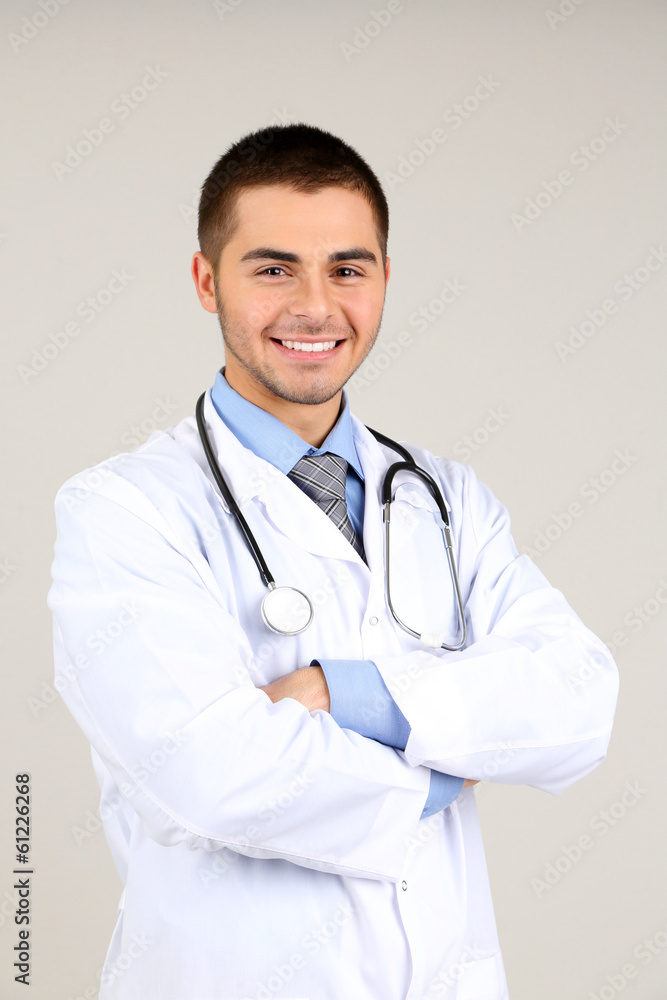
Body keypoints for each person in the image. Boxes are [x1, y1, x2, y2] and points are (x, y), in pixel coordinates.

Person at [48, 123, 619, 1000]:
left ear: (384, 279)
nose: (315, 307)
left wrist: (348, 694)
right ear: (207, 281)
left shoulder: (446, 496)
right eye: (273, 268)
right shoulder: (123, 510)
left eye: (347, 269)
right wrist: (454, 750)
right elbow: (213, 774)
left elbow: (578, 700)